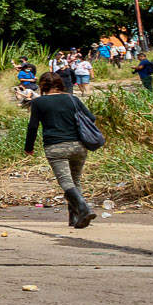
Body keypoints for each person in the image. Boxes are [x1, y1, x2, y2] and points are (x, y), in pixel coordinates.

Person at [25, 71, 96, 228]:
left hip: (55, 146)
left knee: (65, 180)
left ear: (43, 85)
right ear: (60, 84)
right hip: (79, 145)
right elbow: (91, 118)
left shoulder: (39, 102)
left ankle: (84, 208)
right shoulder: (72, 99)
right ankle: (74, 217)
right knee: (75, 179)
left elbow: (33, 127)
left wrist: (28, 147)